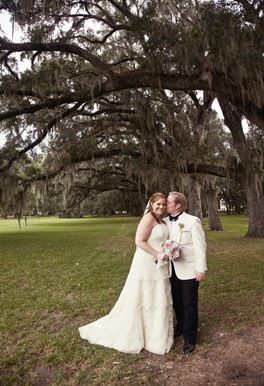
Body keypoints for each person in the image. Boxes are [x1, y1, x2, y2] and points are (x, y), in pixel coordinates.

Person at [78, 192, 174, 355]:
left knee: (156, 295)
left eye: (164, 204)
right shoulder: (148, 218)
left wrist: (166, 248)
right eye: (158, 204)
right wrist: (157, 254)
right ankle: (140, 333)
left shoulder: (160, 220)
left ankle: (155, 332)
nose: (161, 207)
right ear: (151, 204)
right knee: (142, 295)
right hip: (147, 262)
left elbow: (159, 239)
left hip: (160, 263)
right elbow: (139, 241)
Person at [164, 191, 207, 355]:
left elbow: (200, 246)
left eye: (168, 202)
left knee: (189, 304)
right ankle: (181, 326)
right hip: (171, 269)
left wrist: (201, 268)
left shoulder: (192, 221)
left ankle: (190, 339)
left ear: (178, 205)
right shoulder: (165, 222)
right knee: (176, 302)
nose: (166, 204)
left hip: (189, 270)